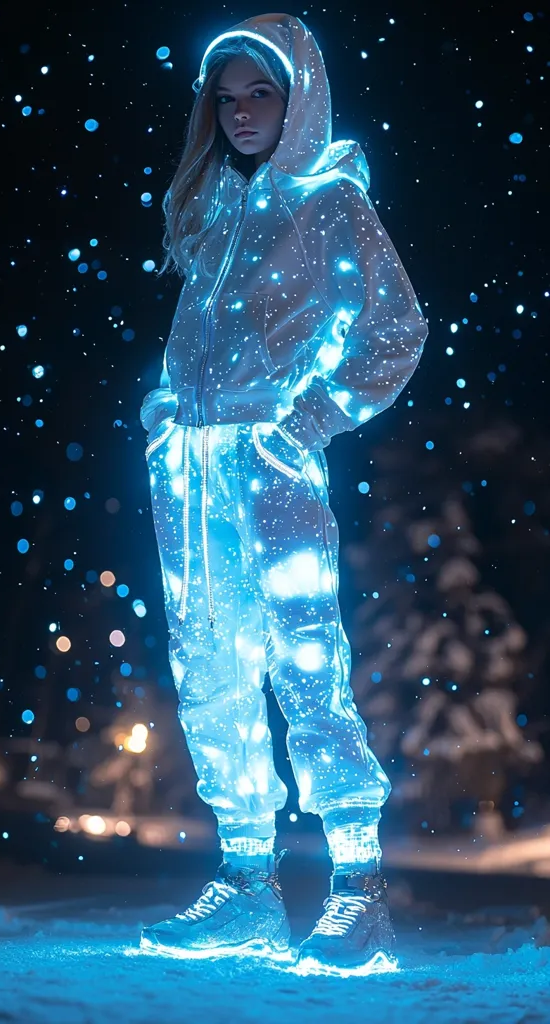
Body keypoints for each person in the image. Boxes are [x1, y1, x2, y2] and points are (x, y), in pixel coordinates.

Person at [139, 12, 428, 974]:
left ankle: (358, 892)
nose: (241, 113)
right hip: (188, 468)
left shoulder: (332, 203)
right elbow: (201, 339)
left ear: (298, 93)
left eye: (260, 92)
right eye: (225, 99)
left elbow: (396, 333)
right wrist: (164, 409)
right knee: (210, 664)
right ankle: (248, 887)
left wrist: (310, 418)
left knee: (304, 661)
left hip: (269, 462)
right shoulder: (217, 208)